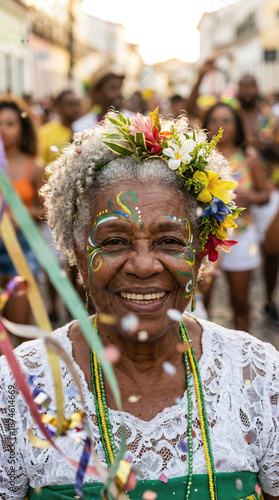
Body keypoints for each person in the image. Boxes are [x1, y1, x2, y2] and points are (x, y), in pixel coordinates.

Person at [0, 110, 278, 500]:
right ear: (78, 255)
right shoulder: (20, 386)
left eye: (169, 241)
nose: (145, 265)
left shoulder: (259, 377)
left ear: (199, 256)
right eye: (114, 241)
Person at [202, 102, 270, 331]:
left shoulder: (248, 156)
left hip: (240, 236)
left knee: (240, 302)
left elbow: (265, 195)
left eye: (226, 120)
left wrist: (248, 196)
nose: (219, 126)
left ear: (237, 125)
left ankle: (242, 352)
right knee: (201, 301)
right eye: (214, 120)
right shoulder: (199, 156)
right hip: (205, 236)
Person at [237, 75, 279, 326]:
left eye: (251, 85)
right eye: (243, 85)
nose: (247, 90)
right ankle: (239, 299)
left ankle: (268, 300)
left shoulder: (269, 118)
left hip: (269, 191)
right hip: (238, 193)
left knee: (273, 253)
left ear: (257, 88)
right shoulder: (229, 115)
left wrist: (264, 147)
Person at [0, 97, 45, 329]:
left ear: (22, 128)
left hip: (21, 252)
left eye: (10, 123)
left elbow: (47, 212)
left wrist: (25, 213)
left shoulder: (35, 166)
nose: (3, 130)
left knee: (21, 329)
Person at [38, 90, 82, 323]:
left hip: (79, 205)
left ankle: (76, 302)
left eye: (77, 104)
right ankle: (54, 305)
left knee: (76, 259)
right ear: (57, 106)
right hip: (53, 205)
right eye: (68, 104)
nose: (73, 108)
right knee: (55, 261)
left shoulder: (83, 130)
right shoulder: (45, 134)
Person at [73, 66, 125, 132]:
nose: (119, 93)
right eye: (112, 88)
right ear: (98, 93)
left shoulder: (134, 124)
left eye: (120, 87)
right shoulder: (81, 127)